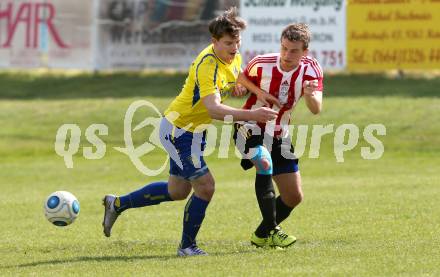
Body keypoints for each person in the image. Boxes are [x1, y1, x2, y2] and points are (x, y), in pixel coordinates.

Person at [102, 7, 280, 257]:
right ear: (214, 41)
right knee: (205, 187)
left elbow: (237, 74)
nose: (234, 48)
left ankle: (117, 203)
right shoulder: (207, 65)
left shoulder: (232, 56)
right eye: (228, 43)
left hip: (195, 132)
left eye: (237, 42)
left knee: (178, 191)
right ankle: (187, 247)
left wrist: (253, 90)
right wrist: (252, 115)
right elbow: (214, 109)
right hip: (179, 131)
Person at [233, 23, 324, 248]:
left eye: (294, 50)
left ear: (305, 52)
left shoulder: (311, 69)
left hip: (279, 132)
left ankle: (261, 235)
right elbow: (241, 78)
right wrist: (259, 92)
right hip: (249, 125)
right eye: (284, 48)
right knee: (264, 161)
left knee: (294, 196)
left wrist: (310, 94)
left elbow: (316, 109)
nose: (286, 54)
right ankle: (274, 230)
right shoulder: (262, 62)